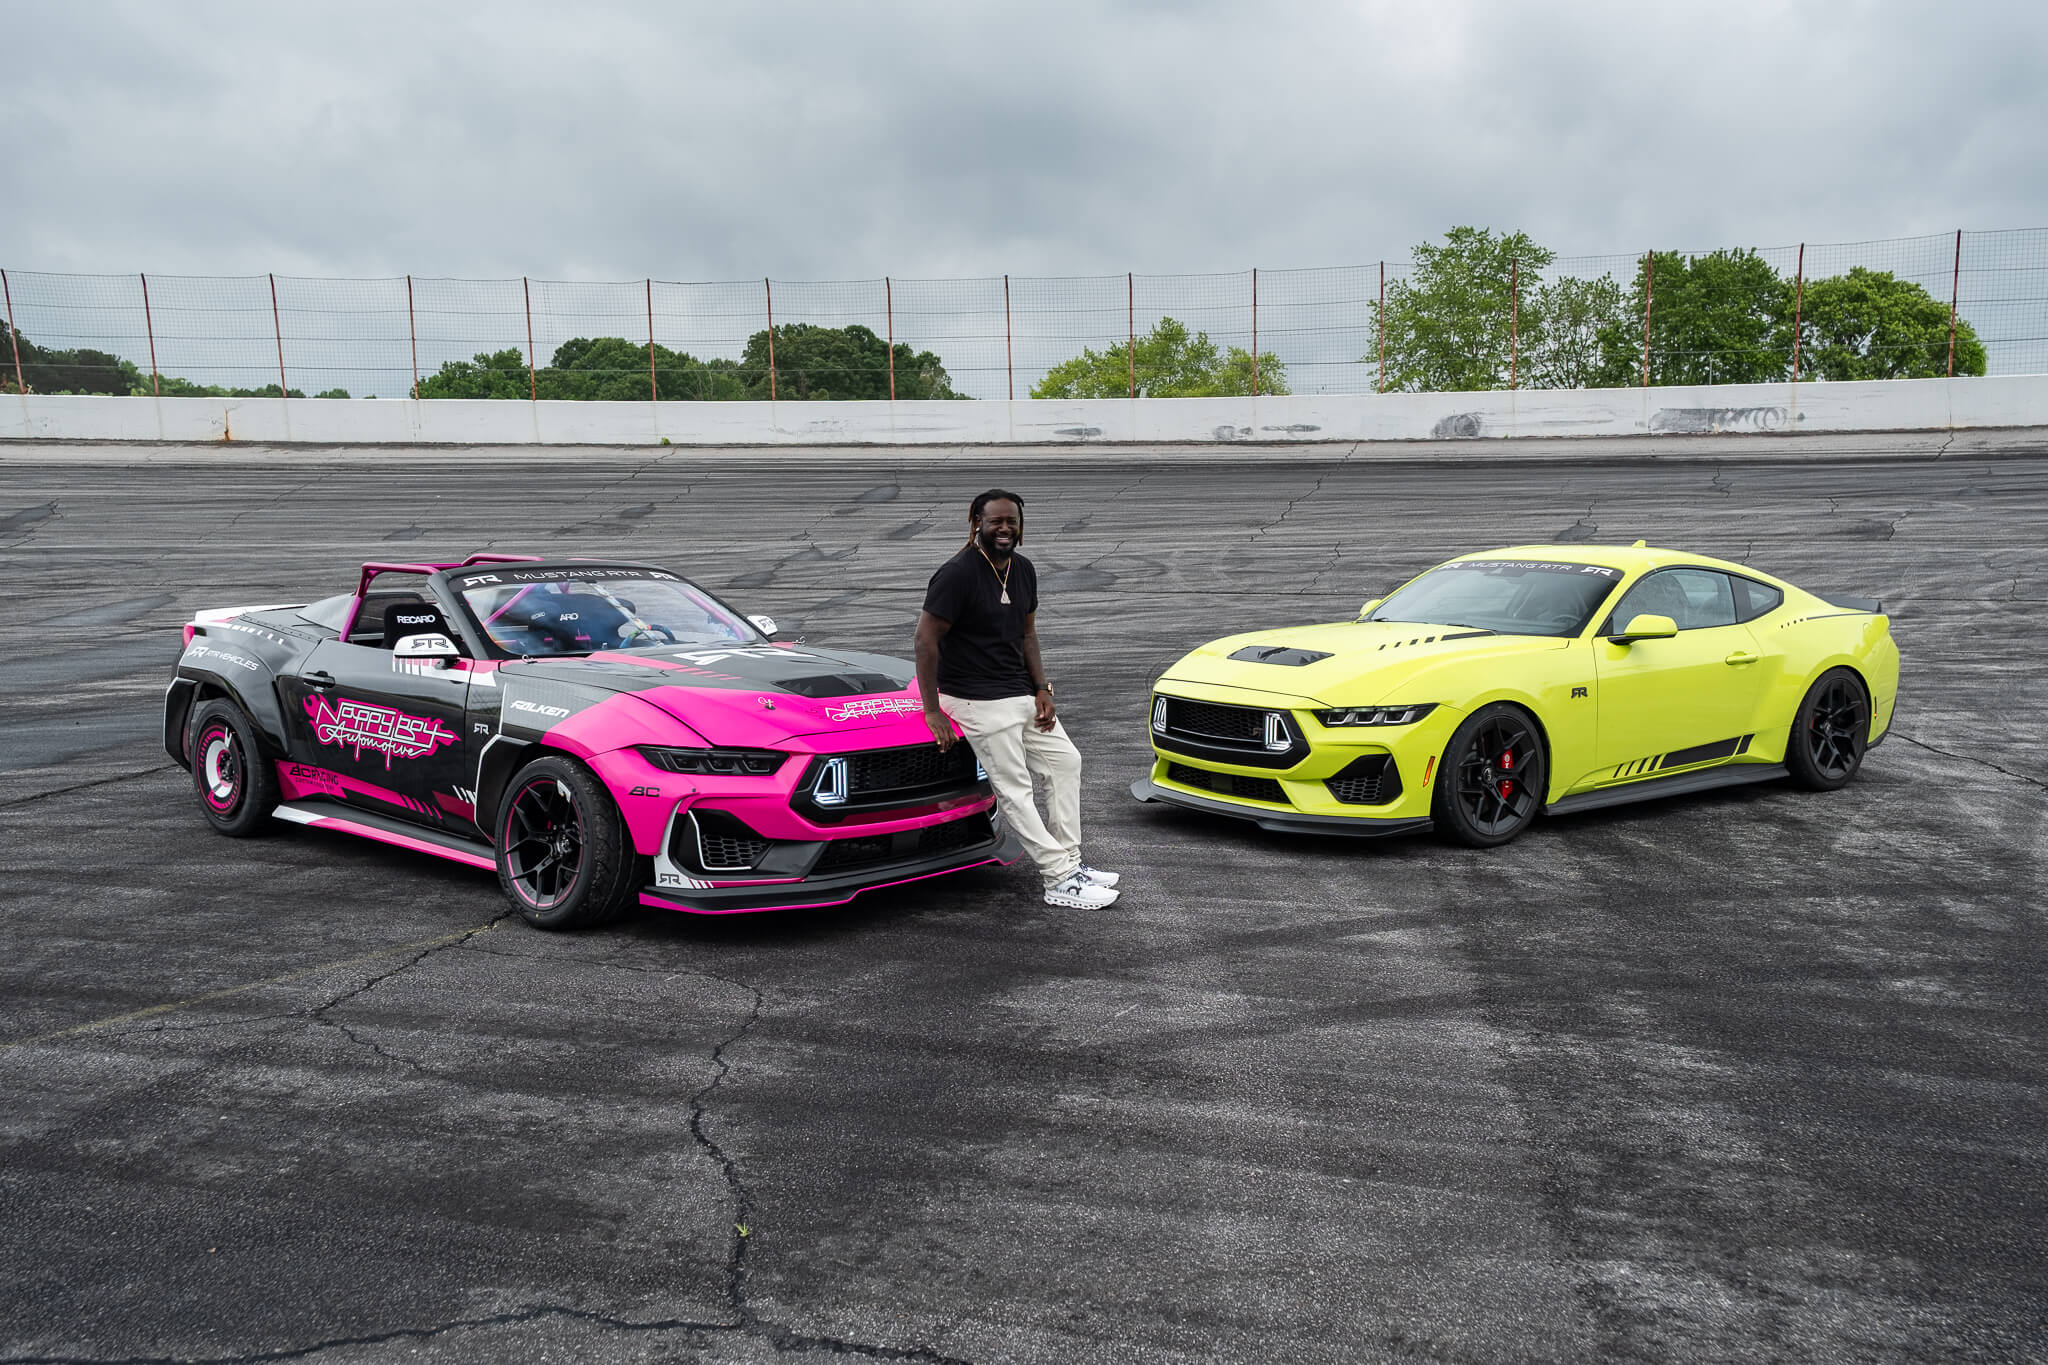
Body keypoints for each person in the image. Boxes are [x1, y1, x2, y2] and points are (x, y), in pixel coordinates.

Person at [915, 490, 1120, 909]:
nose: (1005, 528)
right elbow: (924, 640)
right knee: (1015, 789)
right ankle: (1059, 878)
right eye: (996, 521)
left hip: (1019, 692)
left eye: (1012, 521)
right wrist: (932, 709)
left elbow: (1027, 634)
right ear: (977, 523)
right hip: (974, 699)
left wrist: (1042, 688)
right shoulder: (956, 574)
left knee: (1066, 763)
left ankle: (1071, 861)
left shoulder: (1023, 569)